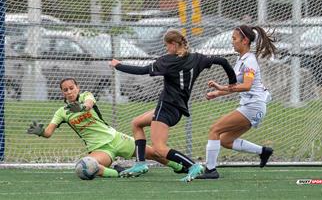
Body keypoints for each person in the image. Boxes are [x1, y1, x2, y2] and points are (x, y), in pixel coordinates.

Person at [109, 29, 237, 182]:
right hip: (178, 109)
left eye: (167, 45)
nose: (166, 49)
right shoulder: (198, 58)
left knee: (159, 148)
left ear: (175, 44)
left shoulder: (168, 61)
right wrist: (232, 82)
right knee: (136, 123)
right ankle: (140, 163)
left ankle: (193, 166)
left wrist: (118, 65)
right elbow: (223, 61)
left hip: (166, 107)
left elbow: (142, 70)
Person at [27, 77, 187, 178]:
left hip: (116, 138)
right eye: (65, 90)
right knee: (86, 167)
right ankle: (119, 171)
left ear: (78, 88)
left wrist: (81, 108)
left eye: (71, 88)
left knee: (155, 153)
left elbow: (89, 105)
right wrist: (40, 132)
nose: (69, 91)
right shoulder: (61, 112)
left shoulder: (86, 96)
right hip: (100, 149)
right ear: (62, 93)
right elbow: (48, 132)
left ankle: (179, 167)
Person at [197, 25, 276, 180]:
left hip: (253, 107)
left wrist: (221, 88)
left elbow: (246, 85)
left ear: (245, 41)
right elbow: (237, 86)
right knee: (225, 140)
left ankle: (210, 170)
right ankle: (263, 151)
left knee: (214, 130)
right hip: (253, 106)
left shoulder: (249, 61)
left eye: (234, 39)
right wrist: (218, 93)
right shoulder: (241, 60)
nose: (232, 42)